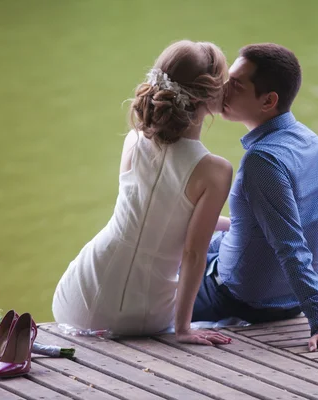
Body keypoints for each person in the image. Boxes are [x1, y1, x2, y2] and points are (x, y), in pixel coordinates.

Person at [52, 40, 233, 346]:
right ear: (207, 94)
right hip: (144, 315)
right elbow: (192, 252)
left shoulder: (135, 141)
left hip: (77, 298)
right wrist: (183, 329)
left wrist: (228, 224)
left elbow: (152, 212)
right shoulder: (215, 171)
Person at [192, 43, 318, 353]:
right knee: (201, 241)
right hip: (288, 298)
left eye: (235, 85)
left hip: (247, 299)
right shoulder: (313, 142)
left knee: (155, 279)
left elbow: (291, 246)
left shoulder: (264, 161)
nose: (222, 90)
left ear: (268, 100)